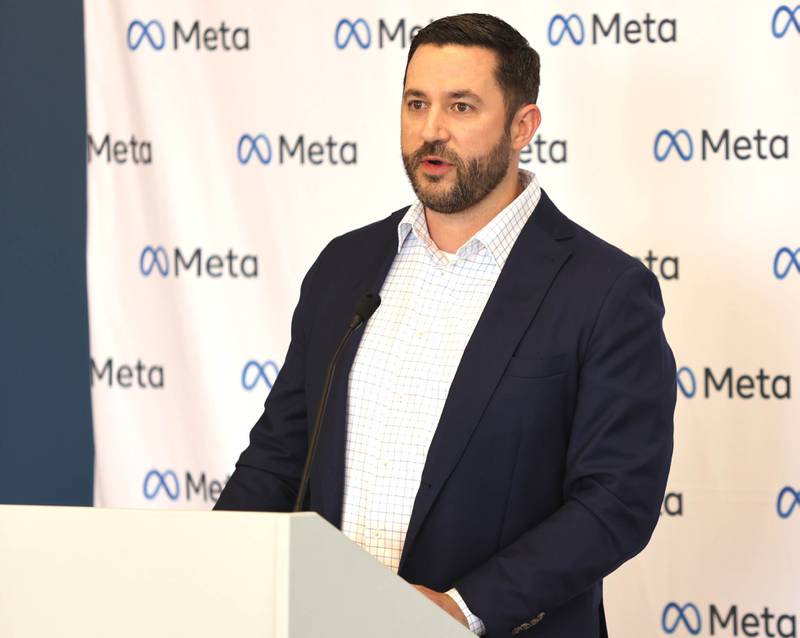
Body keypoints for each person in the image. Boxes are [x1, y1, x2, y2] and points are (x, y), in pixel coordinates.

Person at [215, 13, 675, 638]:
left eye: (461, 107)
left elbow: (615, 500)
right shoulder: (344, 266)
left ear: (523, 127)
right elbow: (279, 456)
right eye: (416, 103)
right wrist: (215, 574)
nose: (431, 131)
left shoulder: (605, 291)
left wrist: (464, 609)